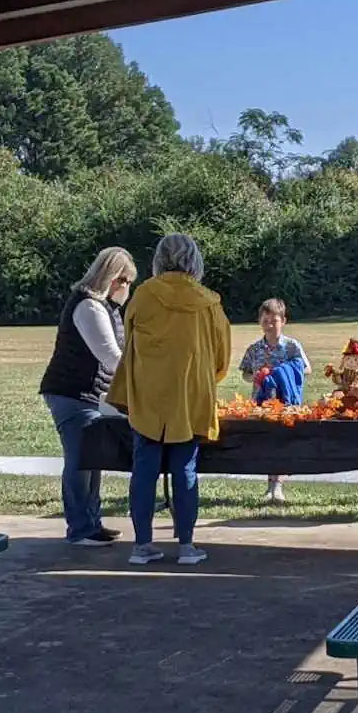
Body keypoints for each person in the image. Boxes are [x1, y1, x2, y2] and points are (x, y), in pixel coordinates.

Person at [108, 233, 231, 567]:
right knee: (185, 468)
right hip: (190, 397)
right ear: (194, 260)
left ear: (159, 259)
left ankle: (141, 546)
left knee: (144, 470)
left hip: (148, 396)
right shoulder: (209, 302)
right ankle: (187, 546)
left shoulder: (144, 295)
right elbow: (221, 357)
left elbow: (129, 342)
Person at [39, 247, 137, 547]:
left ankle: (91, 523)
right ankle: (80, 528)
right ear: (112, 278)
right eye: (125, 281)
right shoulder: (89, 307)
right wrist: (142, 378)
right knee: (80, 461)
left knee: (92, 459)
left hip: (90, 395)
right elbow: (111, 356)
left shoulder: (104, 307)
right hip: (72, 393)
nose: (127, 288)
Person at [239, 298, 311, 504]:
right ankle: (269, 485)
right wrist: (255, 377)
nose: (270, 325)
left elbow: (307, 369)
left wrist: (283, 373)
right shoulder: (254, 349)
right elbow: (245, 373)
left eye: (274, 321)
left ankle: (278, 486)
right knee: (266, 443)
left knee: (281, 442)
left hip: (285, 402)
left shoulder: (291, 346)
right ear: (259, 322)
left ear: (284, 321)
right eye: (265, 321)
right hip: (261, 403)